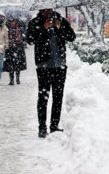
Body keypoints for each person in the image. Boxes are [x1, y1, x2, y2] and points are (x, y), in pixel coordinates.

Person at [25, 9, 77, 138]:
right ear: (41, 10)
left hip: (59, 65)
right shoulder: (35, 22)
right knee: (43, 97)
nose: (48, 11)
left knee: (58, 97)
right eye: (45, 9)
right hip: (43, 65)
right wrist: (43, 28)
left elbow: (72, 37)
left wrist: (60, 28)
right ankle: (42, 127)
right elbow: (30, 40)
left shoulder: (61, 20)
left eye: (50, 9)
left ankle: (54, 125)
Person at [4, 15, 27, 85]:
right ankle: (11, 80)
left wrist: (22, 39)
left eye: (14, 21)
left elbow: (24, 37)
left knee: (18, 65)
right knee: (10, 65)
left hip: (18, 48)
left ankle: (17, 78)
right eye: (11, 22)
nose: (12, 23)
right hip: (10, 49)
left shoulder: (20, 28)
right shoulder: (7, 28)